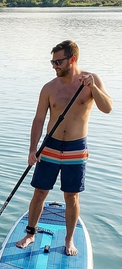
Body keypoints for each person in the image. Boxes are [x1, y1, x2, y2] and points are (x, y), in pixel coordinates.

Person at [16, 40, 112, 256]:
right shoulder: (49, 88)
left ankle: (69, 240)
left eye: (58, 62)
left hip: (76, 148)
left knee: (72, 196)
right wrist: (33, 149)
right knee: (39, 192)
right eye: (52, 62)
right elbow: (39, 119)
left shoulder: (91, 80)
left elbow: (107, 108)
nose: (54, 66)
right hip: (49, 146)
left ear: (72, 60)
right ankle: (30, 233)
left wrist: (93, 88)